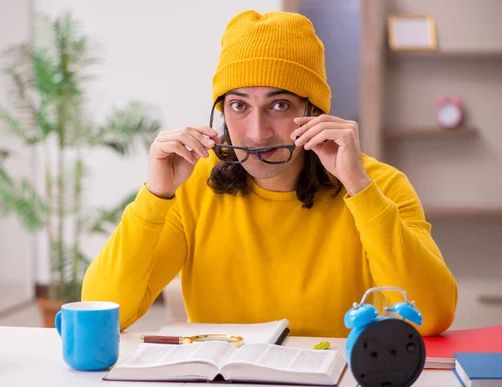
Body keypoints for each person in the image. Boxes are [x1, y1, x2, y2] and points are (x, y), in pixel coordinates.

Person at [81, 10, 458, 337]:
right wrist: (155, 196)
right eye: (238, 105)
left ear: (313, 112)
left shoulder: (381, 185)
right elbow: (102, 311)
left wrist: (359, 188)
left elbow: (432, 317)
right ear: (221, 112)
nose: (257, 131)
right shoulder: (191, 186)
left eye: (278, 105)